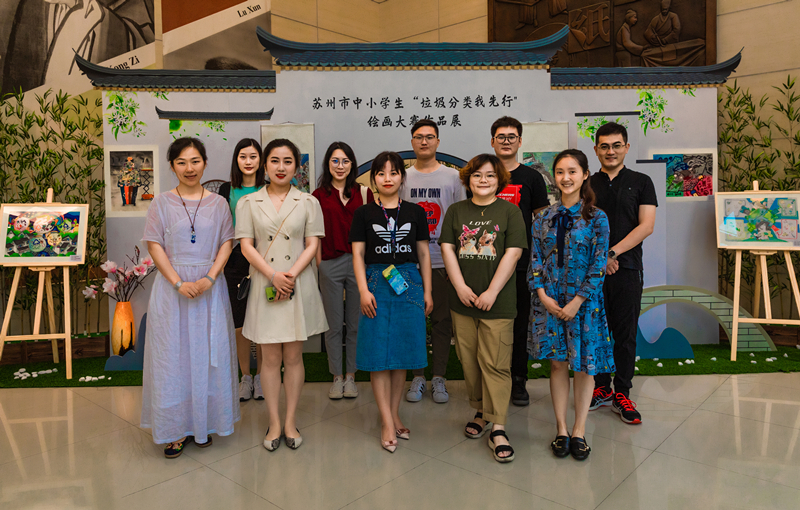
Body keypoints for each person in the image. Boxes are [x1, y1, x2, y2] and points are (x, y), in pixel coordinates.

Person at [141, 137, 239, 458]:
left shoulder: (219, 204)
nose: (189, 168)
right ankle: (175, 430)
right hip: (173, 292)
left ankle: (203, 423)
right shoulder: (161, 203)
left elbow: (226, 242)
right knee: (173, 358)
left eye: (195, 161)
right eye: (181, 162)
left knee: (208, 356)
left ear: (205, 163)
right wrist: (178, 282)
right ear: (172, 166)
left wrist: (210, 277)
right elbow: (154, 244)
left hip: (210, 288)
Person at [236, 138, 328, 451]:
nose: (280, 167)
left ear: (297, 167)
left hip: (296, 284)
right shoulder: (249, 203)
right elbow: (246, 246)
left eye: (288, 161)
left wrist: (289, 275)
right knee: (270, 358)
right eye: (274, 160)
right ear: (264, 165)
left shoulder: (308, 202)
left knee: (293, 356)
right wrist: (274, 275)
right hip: (266, 283)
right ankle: (274, 422)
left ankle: (290, 421)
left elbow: (312, 244)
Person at [439, 154, 526, 463]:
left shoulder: (510, 211)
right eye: (477, 175)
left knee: (496, 363)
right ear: (468, 179)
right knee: (469, 361)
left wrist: (491, 291)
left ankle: (498, 426)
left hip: (498, 303)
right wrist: (460, 287)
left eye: (490, 175)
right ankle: (481, 411)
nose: (483, 180)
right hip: (462, 302)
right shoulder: (456, 211)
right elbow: (448, 249)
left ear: (499, 179)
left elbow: (513, 254)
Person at [529, 149, 614, 461]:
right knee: (557, 364)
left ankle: (579, 430)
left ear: (585, 174)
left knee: (583, 366)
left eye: (572, 171)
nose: (566, 178)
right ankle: (561, 429)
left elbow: (599, 264)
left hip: (584, 304)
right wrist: (542, 295)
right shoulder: (543, 218)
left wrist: (578, 301)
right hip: (550, 302)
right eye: (560, 172)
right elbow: (535, 259)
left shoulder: (597, 218)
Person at [350, 151, 433, 453]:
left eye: (394, 172)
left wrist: (428, 291)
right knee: (378, 355)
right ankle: (386, 421)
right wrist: (362, 290)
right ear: (373, 179)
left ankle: (394, 413)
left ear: (402, 177)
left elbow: (423, 253)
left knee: (401, 353)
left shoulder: (415, 212)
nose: (388, 178)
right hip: (375, 283)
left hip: (409, 282)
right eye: (381, 173)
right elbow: (358, 254)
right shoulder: (363, 213)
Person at [588, 122, 657, 425]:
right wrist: (599, 260)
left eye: (616, 145)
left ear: (626, 148)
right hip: (592, 271)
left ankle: (623, 392)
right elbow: (580, 226)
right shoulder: (587, 184)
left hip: (627, 268)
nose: (611, 151)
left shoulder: (642, 181)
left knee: (625, 334)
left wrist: (611, 254)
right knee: (596, 332)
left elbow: (646, 225)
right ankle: (601, 388)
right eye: (604, 146)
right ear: (596, 150)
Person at [400, 119, 466, 404]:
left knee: (442, 322)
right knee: (413, 321)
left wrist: (457, 265)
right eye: (419, 137)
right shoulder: (403, 177)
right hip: (410, 264)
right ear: (412, 142)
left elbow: (462, 222)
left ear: (438, 141)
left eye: (429, 136)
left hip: (443, 261)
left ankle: (439, 377)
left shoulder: (454, 177)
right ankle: (417, 376)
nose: (424, 141)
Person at [488, 116, 550, 406]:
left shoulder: (532, 178)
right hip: (487, 262)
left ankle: (518, 379)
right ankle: (492, 378)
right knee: (491, 323)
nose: (506, 141)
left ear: (520, 141)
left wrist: (541, 261)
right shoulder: (483, 174)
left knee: (519, 322)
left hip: (522, 263)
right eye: (501, 136)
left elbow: (541, 221)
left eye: (511, 136)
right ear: (492, 141)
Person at [313, 142, 374, 399]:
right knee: (334, 324)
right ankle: (336, 376)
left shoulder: (364, 192)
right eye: (335, 161)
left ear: (352, 164)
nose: (340, 166)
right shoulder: (318, 196)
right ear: (328, 164)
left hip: (359, 263)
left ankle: (351, 376)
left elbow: (371, 231)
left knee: (356, 323)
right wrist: (319, 263)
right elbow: (313, 233)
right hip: (330, 262)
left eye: (345, 161)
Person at [219, 139, 266, 402]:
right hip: (235, 259)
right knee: (240, 322)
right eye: (243, 156)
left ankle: (262, 377)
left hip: (264, 258)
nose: (248, 161)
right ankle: (245, 377)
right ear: (236, 160)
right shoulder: (226, 189)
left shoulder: (269, 187)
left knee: (263, 319)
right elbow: (222, 227)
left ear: (260, 160)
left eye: (253, 156)